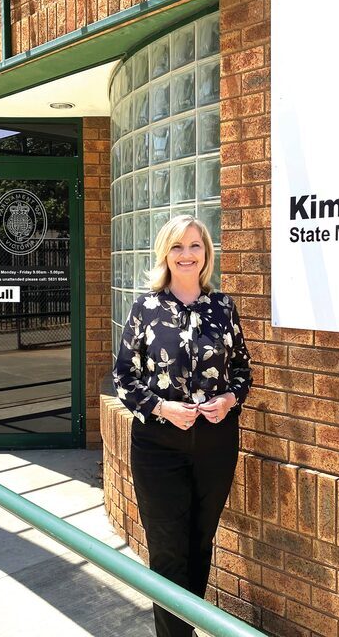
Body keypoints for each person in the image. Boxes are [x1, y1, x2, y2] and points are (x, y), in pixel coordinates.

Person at [113, 214, 251, 637]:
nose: (186, 254)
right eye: (177, 246)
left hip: (215, 444)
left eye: (195, 245)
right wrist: (161, 407)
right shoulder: (146, 308)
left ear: (206, 253)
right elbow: (124, 377)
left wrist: (229, 400)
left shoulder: (223, 308)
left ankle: (185, 629)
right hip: (159, 446)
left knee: (199, 543)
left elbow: (242, 370)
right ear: (165, 254)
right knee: (168, 551)